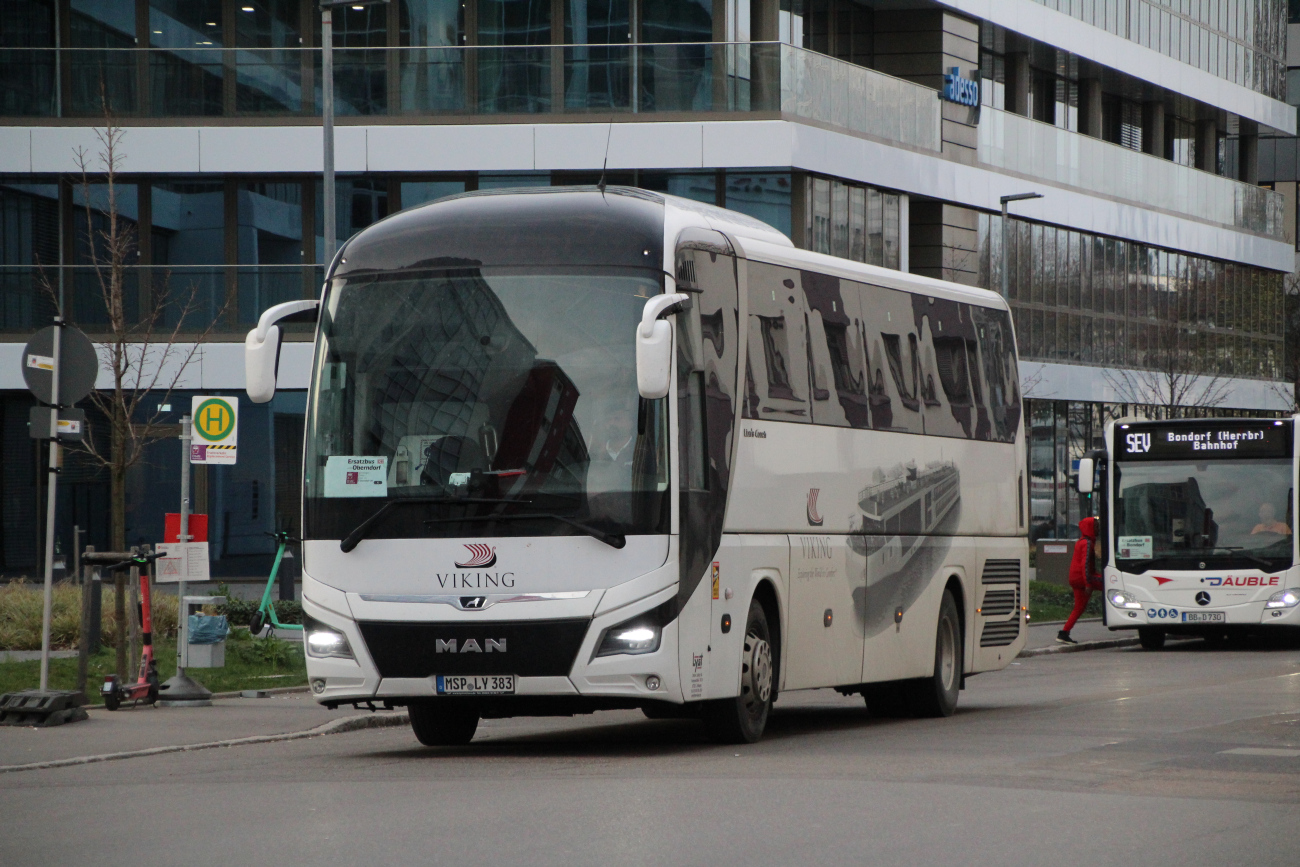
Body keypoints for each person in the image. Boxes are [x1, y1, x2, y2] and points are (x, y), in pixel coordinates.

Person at [1057, 516, 1103, 645]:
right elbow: (1085, 564)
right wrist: (1088, 583)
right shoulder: (1087, 543)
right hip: (1083, 578)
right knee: (1112, 584)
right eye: (1096, 526)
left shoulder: (1081, 541)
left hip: (1076, 578)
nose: (1098, 529)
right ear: (1090, 528)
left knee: (1079, 607)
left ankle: (1064, 632)